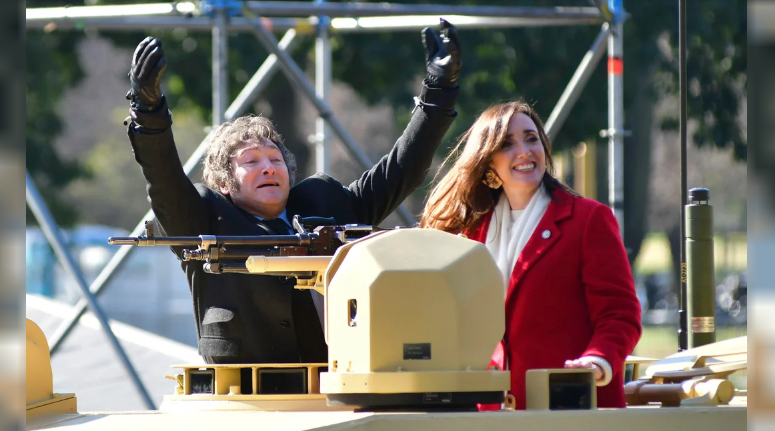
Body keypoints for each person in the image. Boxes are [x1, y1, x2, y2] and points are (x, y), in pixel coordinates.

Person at [124, 20, 462, 365]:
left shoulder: (325, 201)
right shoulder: (206, 217)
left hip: (341, 384)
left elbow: (401, 170)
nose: (269, 167)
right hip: (248, 399)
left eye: (275, 158)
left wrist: (439, 91)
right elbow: (163, 178)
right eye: (251, 161)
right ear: (224, 183)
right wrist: (147, 111)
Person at [420, 102, 642, 409]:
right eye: (507, 144)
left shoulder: (590, 220)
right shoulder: (470, 235)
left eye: (531, 138)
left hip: (571, 409)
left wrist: (597, 361)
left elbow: (620, 315)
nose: (524, 151)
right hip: (491, 411)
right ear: (487, 165)